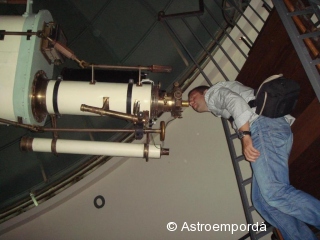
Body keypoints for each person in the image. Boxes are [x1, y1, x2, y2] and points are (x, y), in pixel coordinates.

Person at [188, 79, 320, 240]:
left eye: (193, 96)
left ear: (204, 91)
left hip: (263, 126)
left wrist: (245, 137)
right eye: (189, 101)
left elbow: (234, 101)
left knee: (273, 191)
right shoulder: (218, 101)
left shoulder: (213, 93)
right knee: (262, 202)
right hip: (269, 128)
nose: (190, 102)